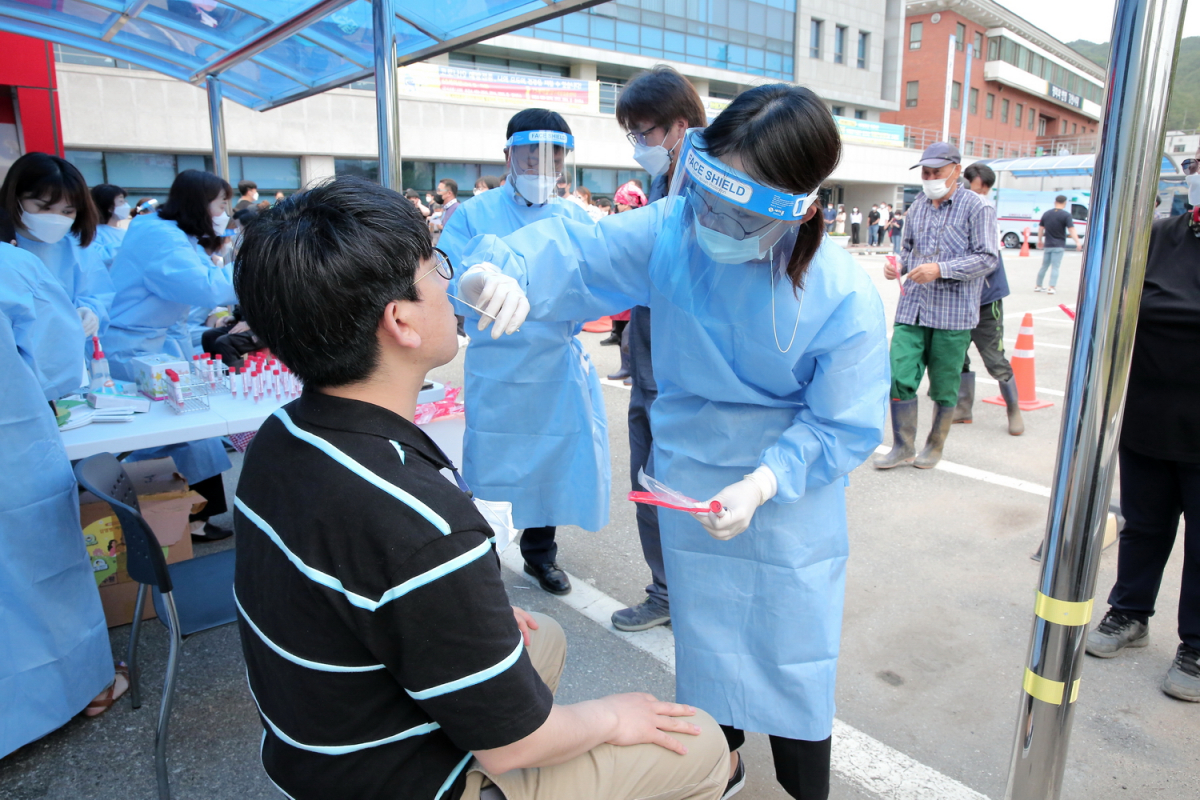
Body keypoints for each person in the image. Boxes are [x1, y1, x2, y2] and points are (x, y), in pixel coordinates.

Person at [231, 176, 730, 800]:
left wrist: (452, 614)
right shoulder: (422, 520)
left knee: (540, 637)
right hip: (388, 778)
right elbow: (514, 742)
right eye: (437, 266)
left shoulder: (281, 434)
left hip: (308, 745)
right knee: (700, 743)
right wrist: (613, 717)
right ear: (400, 321)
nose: (453, 280)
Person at [459, 84, 889, 800]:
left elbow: (842, 421)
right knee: (710, 654)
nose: (711, 222)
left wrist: (763, 482)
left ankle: (806, 786)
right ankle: (716, 771)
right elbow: (579, 249)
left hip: (787, 499)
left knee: (793, 662)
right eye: (706, 199)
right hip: (691, 484)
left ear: (799, 207)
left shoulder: (843, 292)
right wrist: (502, 268)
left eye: (736, 211)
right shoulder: (674, 228)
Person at [437, 109, 600, 597]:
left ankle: (540, 556)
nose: (542, 168)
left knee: (549, 464)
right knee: (491, 468)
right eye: (531, 156)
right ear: (508, 155)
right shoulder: (474, 214)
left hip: (553, 367)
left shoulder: (574, 217)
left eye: (554, 158)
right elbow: (446, 278)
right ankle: (483, 560)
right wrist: (475, 284)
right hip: (498, 367)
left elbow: (600, 282)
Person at [0, 229, 129, 760]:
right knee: (39, 573)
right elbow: (57, 368)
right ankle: (86, 686)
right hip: (13, 455)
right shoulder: (13, 268)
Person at [1085, 176, 1200, 702]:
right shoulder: (1158, 236)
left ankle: (1195, 646)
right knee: (1144, 525)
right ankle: (1130, 612)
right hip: (1149, 416)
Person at [610, 63, 708, 633]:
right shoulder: (659, 180)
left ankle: (694, 593)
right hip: (650, 357)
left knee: (690, 484)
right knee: (647, 480)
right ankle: (667, 590)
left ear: (679, 125)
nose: (639, 144)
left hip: (691, 368)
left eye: (644, 132)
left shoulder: (714, 182)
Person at [106, 169, 237, 540]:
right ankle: (174, 519)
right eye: (221, 203)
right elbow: (206, 287)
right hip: (135, 347)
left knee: (191, 429)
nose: (224, 211)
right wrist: (256, 266)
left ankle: (192, 518)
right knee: (170, 433)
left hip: (156, 342)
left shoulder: (171, 234)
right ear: (199, 203)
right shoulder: (161, 237)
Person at [874, 142, 997, 470]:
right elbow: (909, 250)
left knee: (944, 387)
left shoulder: (977, 208)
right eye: (926, 173)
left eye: (936, 172)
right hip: (912, 308)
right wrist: (896, 266)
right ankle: (903, 445)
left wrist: (941, 269)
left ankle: (935, 444)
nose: (930, 178)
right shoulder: (917, 207)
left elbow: (987, 258)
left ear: (957, 170)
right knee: (899, 375)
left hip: (952, 315)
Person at [1, 152, 113, 342]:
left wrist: (90, 311)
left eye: (67, 211)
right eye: (44, 207)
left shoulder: (75, 247)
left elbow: (98, 292)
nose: (55, 217)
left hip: (69, 354)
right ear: (15, 198)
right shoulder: (6, 247)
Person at [953, 163, 1023, 435]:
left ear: (978, 184)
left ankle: (1013, 410)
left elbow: (985, 259)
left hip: (985, 298)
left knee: (993, 357)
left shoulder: (983, 211)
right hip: (956, 299)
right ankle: (962, 408)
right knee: (957, 355)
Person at [1036, 195, 1080, 294]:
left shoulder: (1046, 214)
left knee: (1044, 266)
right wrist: (1077, 242)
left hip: (1048, 244)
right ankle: (1051, 287)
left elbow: (1041, 228)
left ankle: (1038, 285)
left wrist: (1040, 240)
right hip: (1059, 244)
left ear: (1054, 202)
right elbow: (1071, 229)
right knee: (1055, 267)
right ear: (1065, 203)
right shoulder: (1066, 215)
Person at [89, 183, 130, 270]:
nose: (126, 204)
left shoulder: (125, 232)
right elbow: (98, 257)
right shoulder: (93, 232)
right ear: (109, 207)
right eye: (121, 201)